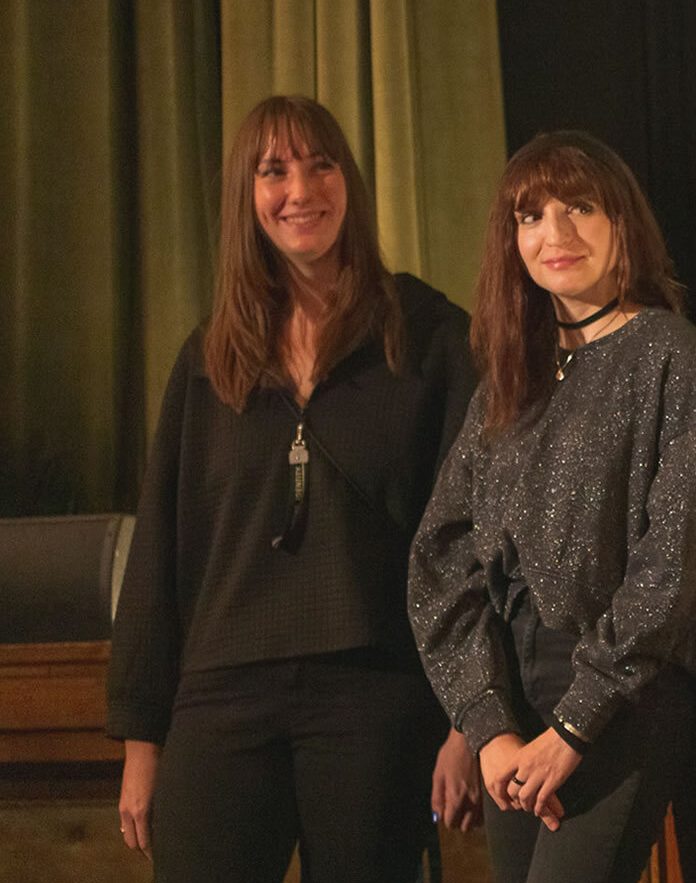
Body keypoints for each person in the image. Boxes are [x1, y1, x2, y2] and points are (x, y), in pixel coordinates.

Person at [107, 95, 482, 880]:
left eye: (320, 165)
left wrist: (465, 720)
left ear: (349, 182)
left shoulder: (427, 336)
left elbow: (470, 543)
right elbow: (159, 557)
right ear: (249, 197)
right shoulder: (208, 359)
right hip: (220, 695)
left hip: (373, 696)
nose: (300, 190)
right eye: (273, 171)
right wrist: (144, 743)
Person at [408, 131, 696, 883]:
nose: (554, 234)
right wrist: (488, 726)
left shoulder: (673, 356)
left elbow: (679, 562)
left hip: (621, 693)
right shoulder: (510, 379)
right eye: (531, 216)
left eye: (579, 208)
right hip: (513, 693)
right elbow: (442, 561)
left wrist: (575, 723)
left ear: (621, 224)